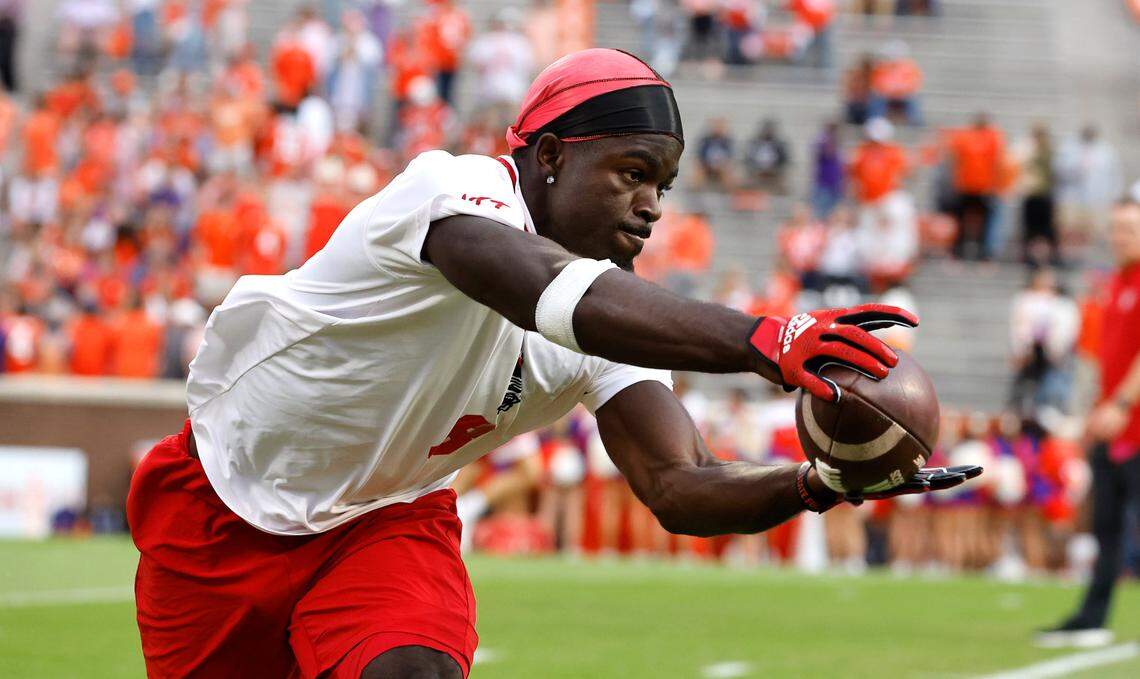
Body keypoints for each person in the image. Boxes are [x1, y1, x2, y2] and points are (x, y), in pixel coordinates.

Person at [127, 49, 977, 678]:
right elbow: (542, 289)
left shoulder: (615, 305)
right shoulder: (452, 190)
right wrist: (765, 338)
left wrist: (817, 485)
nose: (650, 205)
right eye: (632, 172)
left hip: (385, 518)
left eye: (664, 186)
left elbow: (679, 488)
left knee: (412, 672)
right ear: (551, 157)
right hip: (222, 504)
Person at [1038, 199, 1140, 648]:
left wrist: (1120, 403)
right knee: (1106, 526)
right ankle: (1092, 617)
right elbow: (1107, 361)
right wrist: (1095, 412)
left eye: (1130, 228)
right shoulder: (1116, 284)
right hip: (1112, 426)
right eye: (1116, 227)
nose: (1121, 236)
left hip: (1133, 424)